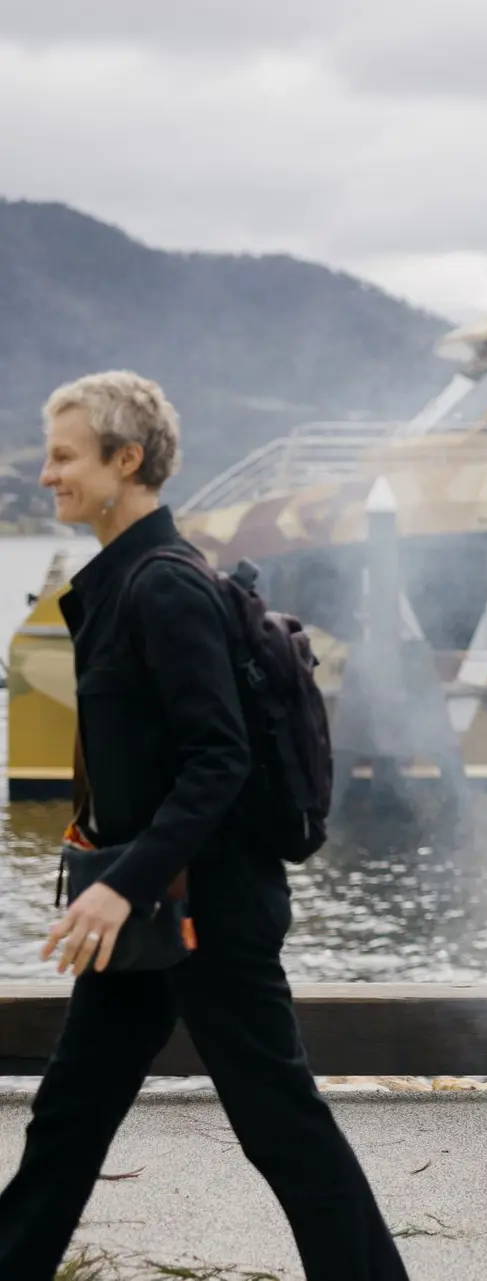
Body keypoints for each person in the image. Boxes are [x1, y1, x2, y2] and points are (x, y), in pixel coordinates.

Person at [0, 373, 408, 1280]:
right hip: (152, 904)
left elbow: (217, 759)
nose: (46, 476)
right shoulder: (119, 583)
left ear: (126, 460)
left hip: (208, 913)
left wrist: (114, 883)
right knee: (70, 1112)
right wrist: (122, 882)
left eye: (64, 456)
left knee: (280, 1125)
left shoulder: (164, 588)